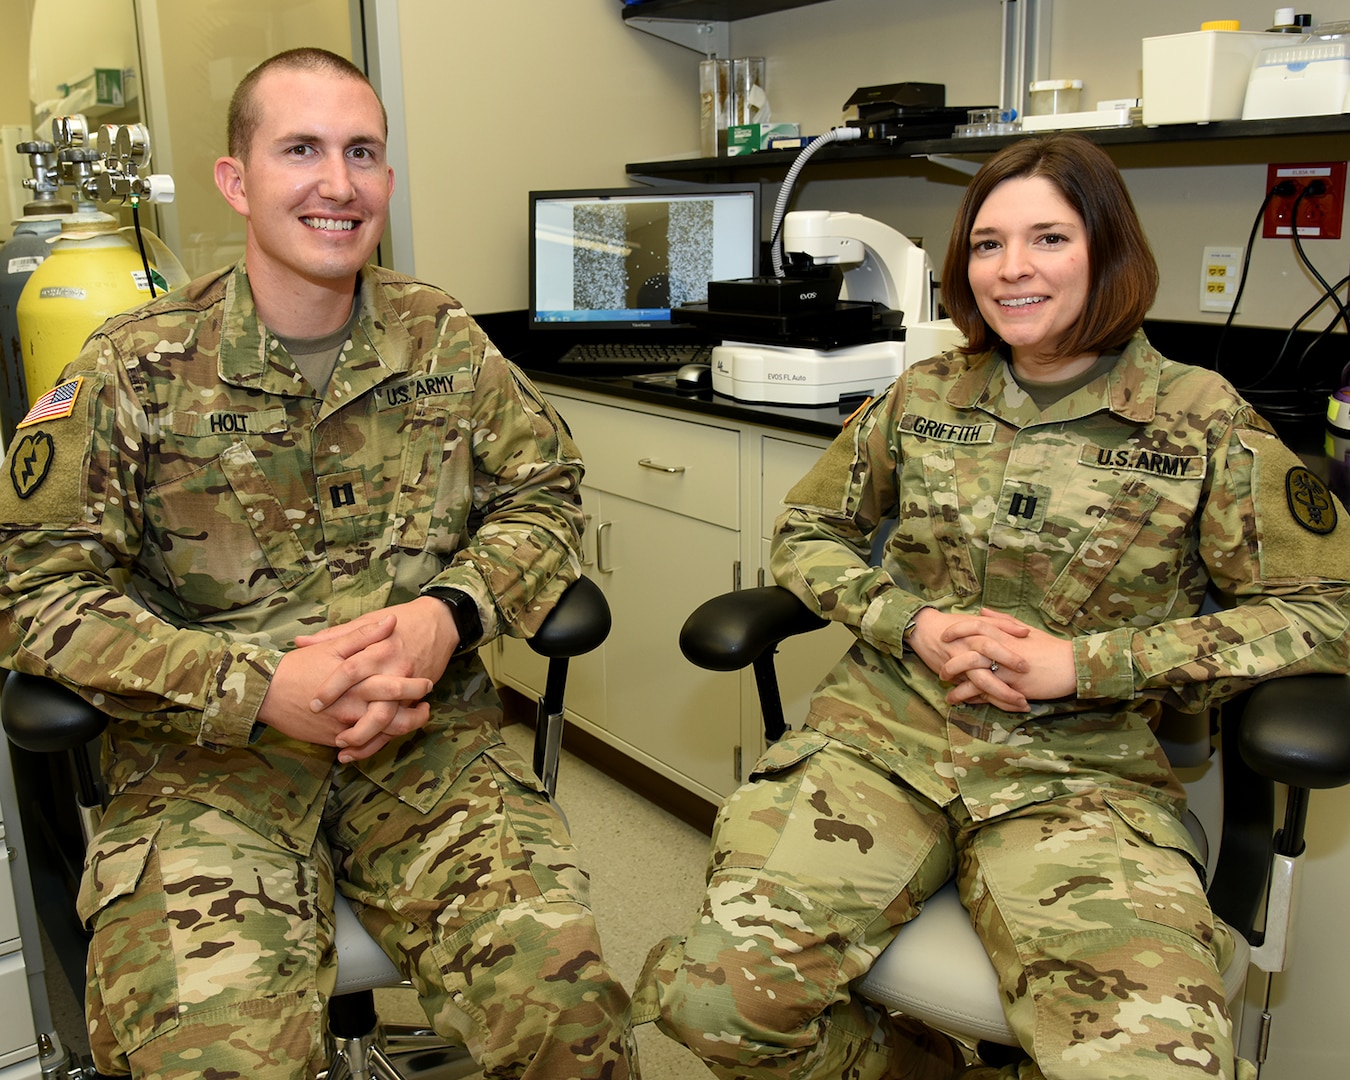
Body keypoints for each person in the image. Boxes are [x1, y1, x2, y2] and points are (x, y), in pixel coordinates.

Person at [633, 132, 1350, 1080]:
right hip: (885, 741)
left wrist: (1086, 666)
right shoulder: (924, 393)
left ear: (1108, 250)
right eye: (986, 244)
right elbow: (807, 533)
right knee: (715, 1006)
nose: (1012, 270)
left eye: (1048, 239)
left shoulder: (1200, 418)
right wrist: (911, 624)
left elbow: (1323, 609)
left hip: (1081, 772)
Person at [0, 48, 636, 1079]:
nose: (338, 184)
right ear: (236, 181)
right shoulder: (133, 367)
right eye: (301, 149)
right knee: (211, 1056)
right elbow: (32, 591)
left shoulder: (445, 342)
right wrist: (256, 688)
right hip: (206, 777)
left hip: (428, 751)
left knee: (569, 1016)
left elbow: (546, 494)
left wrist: (449, 615)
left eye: (363, 153)